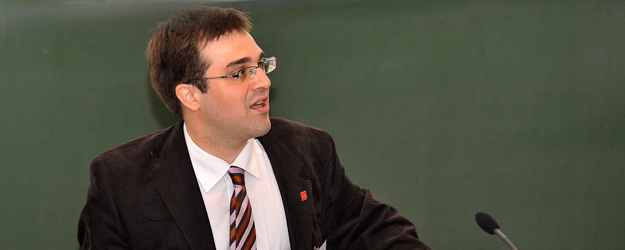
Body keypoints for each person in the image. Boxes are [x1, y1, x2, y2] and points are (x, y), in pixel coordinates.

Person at [77, 6, 431, 250]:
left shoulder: (308, 150)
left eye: (261, 64)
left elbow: (376, 234)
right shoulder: (121, 182)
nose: (262, 81)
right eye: (239, 72)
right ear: (190, 95)